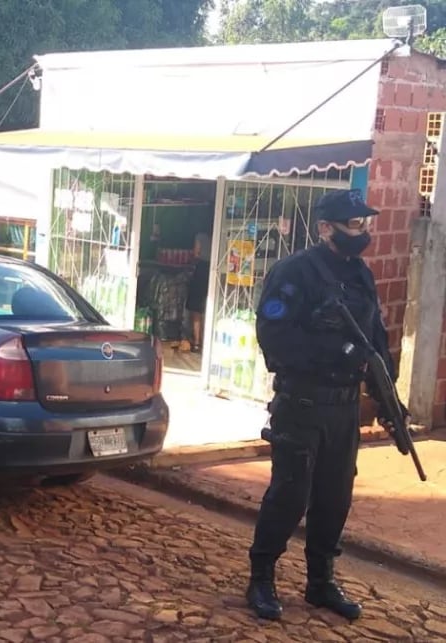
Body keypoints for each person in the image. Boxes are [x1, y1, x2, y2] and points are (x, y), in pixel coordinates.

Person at [246, 188, 397, 622]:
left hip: (344, 409)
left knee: (335, 496)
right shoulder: (296, 272)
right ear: (325, 227)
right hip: (302, 403)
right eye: (354, 224)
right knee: (290, 494)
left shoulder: (360, 275)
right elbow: (274, 337)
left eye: (365, 223)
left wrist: (387, 390)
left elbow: (376, 339)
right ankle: (261, 578)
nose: (362, 230)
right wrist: (336, 353)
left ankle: (320, 582)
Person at [185, 232, 211, 352]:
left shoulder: (200, 236)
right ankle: (205, 341)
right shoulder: (218, 234)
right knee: (207, 308)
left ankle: (196, 342)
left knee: (196, 309)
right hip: (212, 269)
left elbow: (196, 253)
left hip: (201, 270)